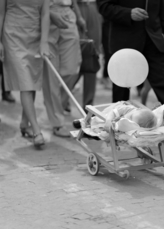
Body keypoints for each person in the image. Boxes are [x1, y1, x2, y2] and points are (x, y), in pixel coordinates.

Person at [97, 0, 164, 141]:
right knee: (121, 87)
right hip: (124, 40)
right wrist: (128, 13)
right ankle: (118, 127)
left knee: (161, 82)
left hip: (153, 40)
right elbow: (103, 6)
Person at [0, 0, 50, 148]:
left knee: (31, 82)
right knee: (26, 83)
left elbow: (45, 13)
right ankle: (36, 131)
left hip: (35, 36)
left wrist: (44, 42)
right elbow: (1, 12)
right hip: (12, 37)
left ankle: (24, 123)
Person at [42, 0, 85, 137]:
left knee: (72, 70)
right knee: (51, 74)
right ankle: (57, 123)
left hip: (68, 12)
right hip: (47, 13)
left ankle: (54, 102)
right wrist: (48, 13)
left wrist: (78, 16)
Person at [74, 0, 102, 109]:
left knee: (93, 53)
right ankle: (62, 98)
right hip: (76, 7)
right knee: (76, 56)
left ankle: (88, 106)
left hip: (94, 6)